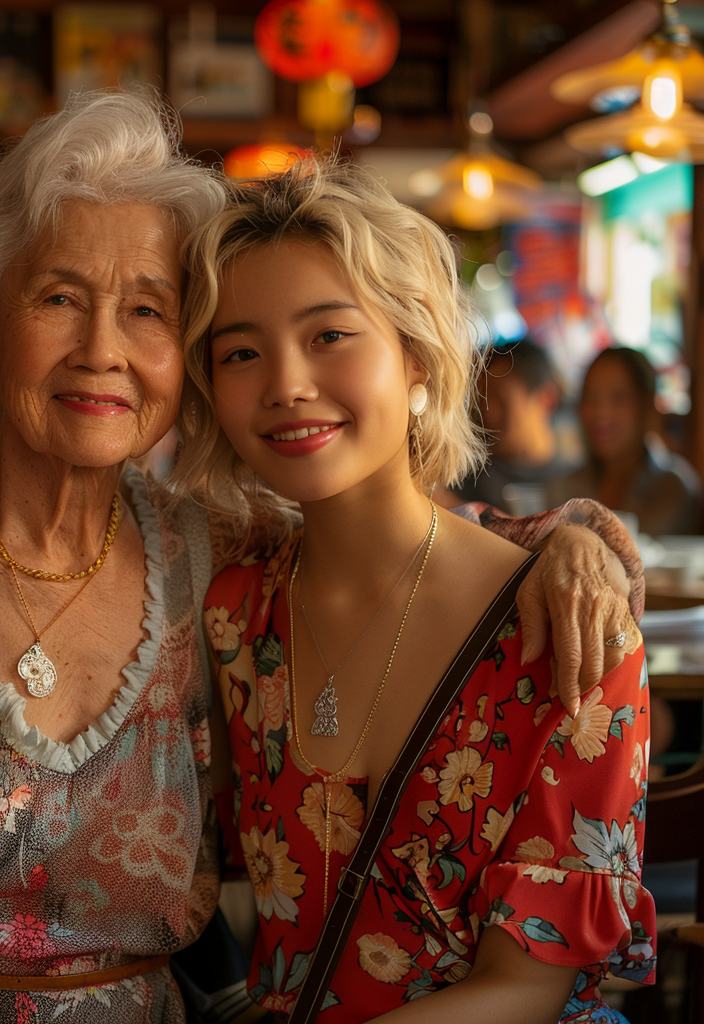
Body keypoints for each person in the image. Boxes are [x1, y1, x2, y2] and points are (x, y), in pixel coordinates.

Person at [0, 92, 642, 1024]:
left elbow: (393, 532)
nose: (103, 350)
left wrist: (570, 538)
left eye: (149, 311)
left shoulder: (206, 555)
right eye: (59, 298)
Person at [173, 161, 655, 1022]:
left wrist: (577, 541)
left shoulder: (568, 618)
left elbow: (527, 986)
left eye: (330, 335)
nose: (285, 383)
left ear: (420, 356)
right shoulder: (235, 613)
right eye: (242, 351)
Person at [546, 346, 701, 536]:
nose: (601, 413)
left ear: (646, 406)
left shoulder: (673, 488)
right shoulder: (563, 488)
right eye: (590, 397)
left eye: (618, 398)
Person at [455, 339, 573, 515]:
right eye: (481, 403)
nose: (487, 415)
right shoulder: (461, 479)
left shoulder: (576, 486)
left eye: (501, 401)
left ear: (546, 399)